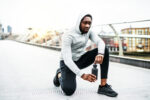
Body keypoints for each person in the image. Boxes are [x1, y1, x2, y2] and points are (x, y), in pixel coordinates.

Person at [53, 12, 118, 97]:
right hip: (67, 63)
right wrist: (82, 75)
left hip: (81, 59)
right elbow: (67, 59)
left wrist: (100, 54)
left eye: (89, 23)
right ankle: (59, 74)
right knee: (69, 90)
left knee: (104, 50)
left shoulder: (89, 32)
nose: (87, 25)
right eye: (85, 23)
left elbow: (100, 42)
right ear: (79, 22)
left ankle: (103, 86)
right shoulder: (68, 35)